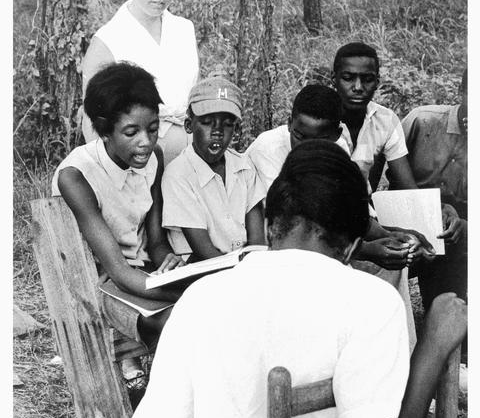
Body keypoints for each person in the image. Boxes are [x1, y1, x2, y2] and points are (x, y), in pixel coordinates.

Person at [122, 140, 466, 418]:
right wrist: (430, 348)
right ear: (352, 247)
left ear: (269, 227)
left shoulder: (200, 297)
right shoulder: (372, 301)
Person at [247, 84, 428, 351]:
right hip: (285, 248)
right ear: (288, 123)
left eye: (318, 140)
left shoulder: (340, 146)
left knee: (391, 262)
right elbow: (300, 226)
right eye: (299, 135)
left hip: (328, 241)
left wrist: (391, 236)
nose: (306, 146)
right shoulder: (268, 149)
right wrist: (365, 250)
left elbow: (352, 210)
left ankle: (397, 354)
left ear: (336, 134)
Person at [52, 62, 185, 382]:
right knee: (173, 321)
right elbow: (117, 272)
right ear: (104, 128)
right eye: (131, 132)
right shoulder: (77, 176)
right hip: (102, 283)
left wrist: (168, 262)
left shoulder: (154, 160)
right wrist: (181, 293)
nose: (146, 141)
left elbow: (154, 241)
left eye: (152, 128)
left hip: (143, 275)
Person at [331, 41, 463, 254]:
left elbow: (407, 186)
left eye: (367, 79)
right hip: (325, 218)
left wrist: (439, 212)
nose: (357, 87)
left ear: (377, 82)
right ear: (334, 79)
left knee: (423, 246)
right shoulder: (320, 119)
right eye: (348, 78)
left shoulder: (385, 120)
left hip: (364, 218)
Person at [81, 0, 198, 165]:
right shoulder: (107, 41)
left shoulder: (184, 29)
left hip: (187, 159)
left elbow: (194, 98)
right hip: (138, 162)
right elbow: (93, 122)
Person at [161, 75, 266, 261]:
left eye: (227, 124)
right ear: (188, 125)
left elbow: (257, 242)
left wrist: (251, 269)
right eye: (207, 122)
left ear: (236, 130)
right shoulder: (178, 175)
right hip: (200, 268)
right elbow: (204, 252)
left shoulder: (245, 167)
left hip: (244, 267)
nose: (217, 132)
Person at [396, 69, 467, 311]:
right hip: (409, 211)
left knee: (455, 245)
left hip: (460, 224)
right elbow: (388, 173)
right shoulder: (421, 120)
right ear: (461, 92)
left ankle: (446, 314)